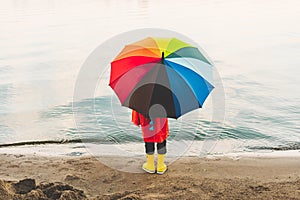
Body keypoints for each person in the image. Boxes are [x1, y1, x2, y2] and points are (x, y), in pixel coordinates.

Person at [132, 110, 169, 174]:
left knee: (149, 141)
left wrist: (137, 121)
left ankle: (150, 165)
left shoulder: (141, 100)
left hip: (146, 121)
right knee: (161, 139)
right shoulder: (164, 100)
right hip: (160, 121)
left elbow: (136, 110)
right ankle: (160, 166)